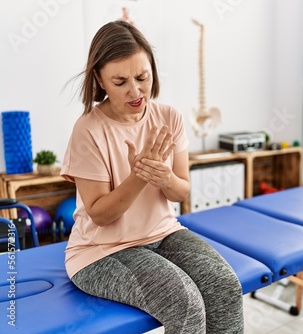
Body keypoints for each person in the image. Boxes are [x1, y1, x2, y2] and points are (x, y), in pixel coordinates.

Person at [60, 20, 244, 334]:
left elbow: (180, 192)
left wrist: (163, 176)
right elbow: (100, 215)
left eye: (142, 77)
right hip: (101, 251)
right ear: (99, 80)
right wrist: (140, 176)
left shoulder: (169, 117)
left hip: (163, 234)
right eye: (120, 81)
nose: (135, 91)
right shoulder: (88, 129)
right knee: (185, 303)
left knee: (225, 286)